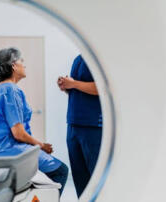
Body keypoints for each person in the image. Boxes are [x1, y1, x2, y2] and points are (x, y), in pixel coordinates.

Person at [0, 47, 68, 196]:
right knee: (61, 171)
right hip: (8, 150)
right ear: (14, 65)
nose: (24, 65)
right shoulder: (11, 90)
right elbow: (18, 133)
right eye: (22, 61)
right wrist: (41, 145)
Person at [57, 54, 102, 197]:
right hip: (73, 125)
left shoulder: (99, 57)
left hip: (92, 126)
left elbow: (101, 88)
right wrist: (66, 87)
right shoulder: (78, 59)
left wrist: (74, 84)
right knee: (80, 179)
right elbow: (79, 89)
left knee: (96, 179)